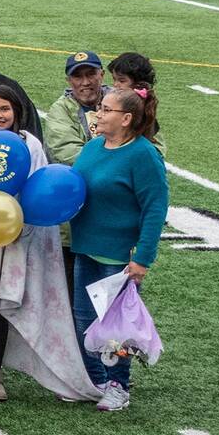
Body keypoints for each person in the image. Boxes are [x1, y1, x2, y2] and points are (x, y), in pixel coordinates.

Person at [0, 85, 98, 403]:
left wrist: (18, 224)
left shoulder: (30, 145)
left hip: (18, 237)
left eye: (5, 109)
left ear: (17, 112)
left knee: (5, 305)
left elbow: (37, 187)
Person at [69, 89, 168, 412]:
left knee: (115, 328)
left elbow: (155, 208)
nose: (99, 114)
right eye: (100, 108)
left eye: (106, 109)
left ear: (126, 119)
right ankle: (95, 380)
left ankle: (118, 385)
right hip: (86, 248)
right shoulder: (93, 147)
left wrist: (143, 258)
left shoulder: (143, 155)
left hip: (120, 258)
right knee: (85, 320)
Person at [42, 50, 107, 164]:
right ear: (69, 81)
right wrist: (112, 162)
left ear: (101, 75)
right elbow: (67, 151)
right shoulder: (60, 109)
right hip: (78, 176)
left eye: (91, 74)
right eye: (78, 77)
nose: (85, 82)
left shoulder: (119, 100)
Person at [107, 52, 164, 151]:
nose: (115, 85)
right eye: (114, 79)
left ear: (139, 84)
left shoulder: (142, 111)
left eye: (122, 81)